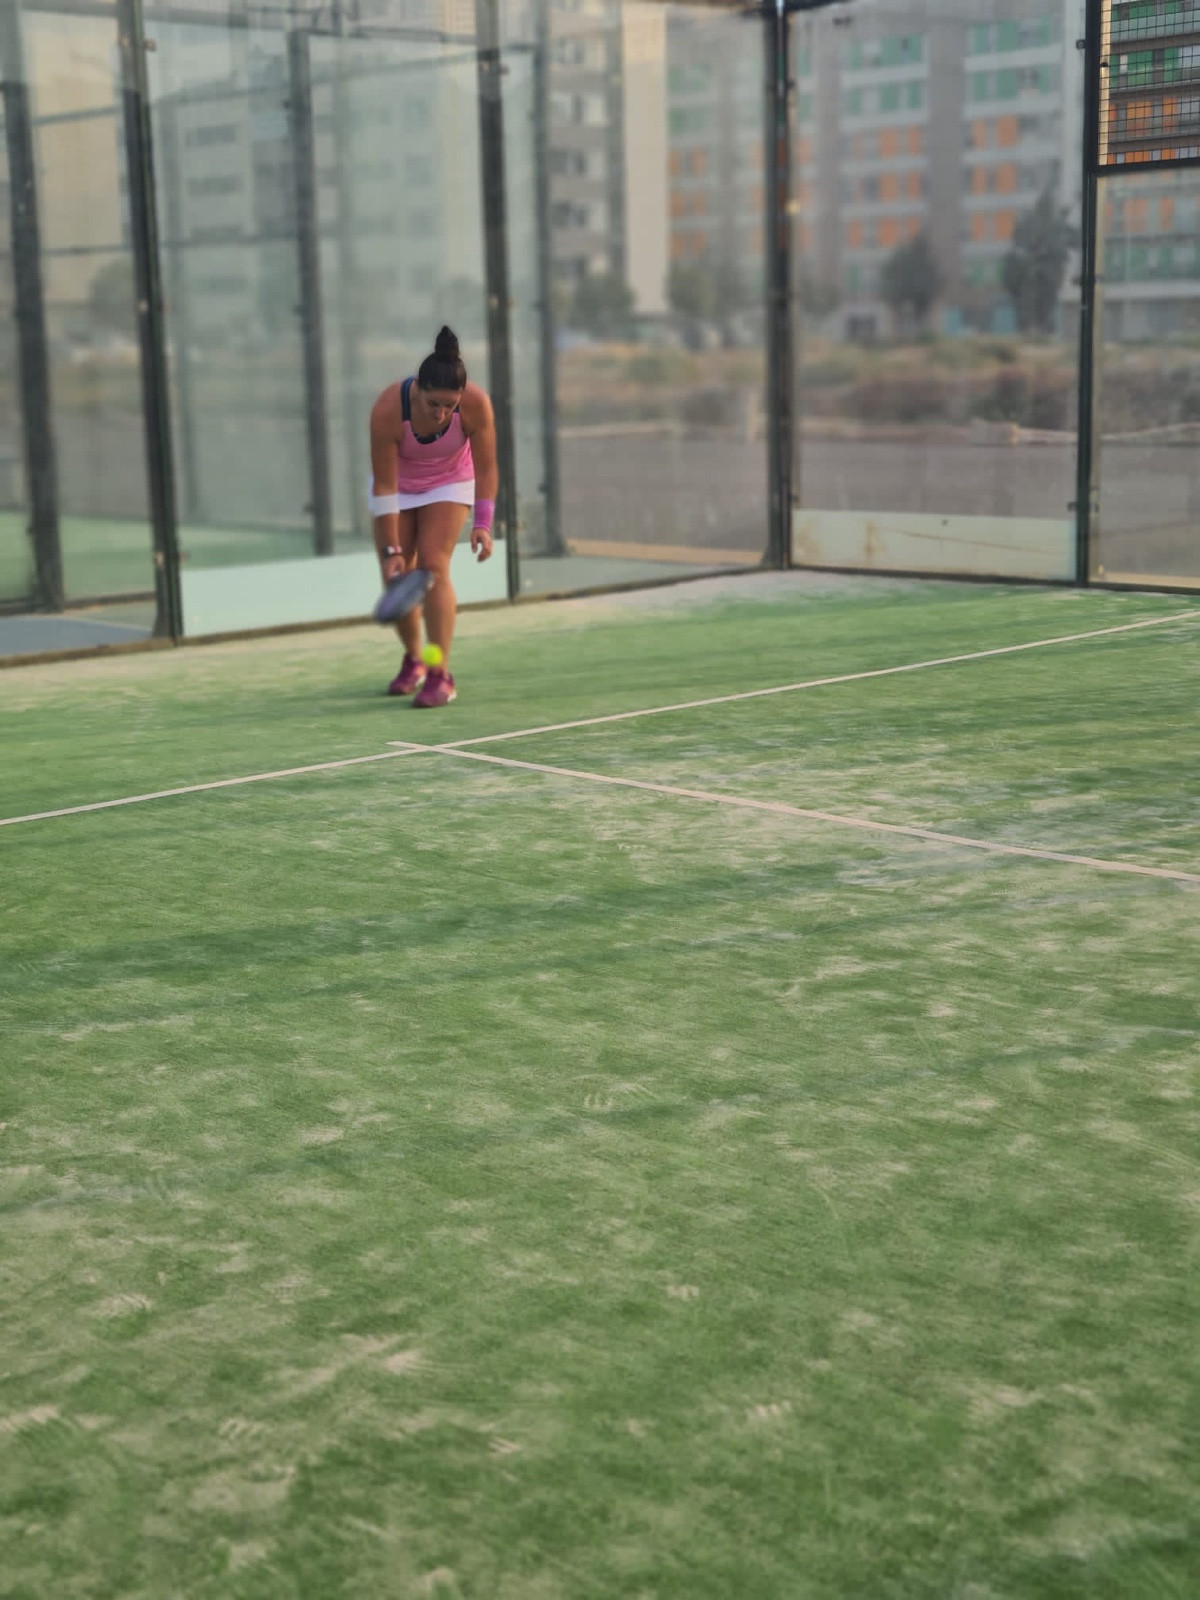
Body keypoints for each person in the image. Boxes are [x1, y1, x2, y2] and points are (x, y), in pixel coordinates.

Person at [368, 325, 497, 706]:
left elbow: (487, 468)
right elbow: (384, 486)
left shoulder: (476, 404)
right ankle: (415, 660)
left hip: (450, 482)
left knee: (433, 565)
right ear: (418, 390)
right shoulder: (389, 409)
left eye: (449, 406)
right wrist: (391, 550)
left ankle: (440, 674)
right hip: (398, 488)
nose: (441, 413)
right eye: (433, 404)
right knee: (398, 577)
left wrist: (483, 524)